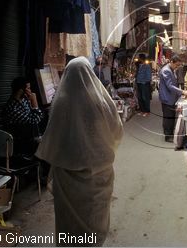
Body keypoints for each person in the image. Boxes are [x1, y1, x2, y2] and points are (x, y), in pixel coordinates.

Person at [35, 57, 123, 247]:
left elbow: (52, 137)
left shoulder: (61, 102)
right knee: (95, 220)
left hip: (67, 175)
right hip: (98, 173)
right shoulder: (100, 100)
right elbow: (116, 129)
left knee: (69, 224)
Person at [3, 77, 44, 157]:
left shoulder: (24, 100)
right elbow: (35, 120)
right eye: (28, 88)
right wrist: (34, 101)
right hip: (22, 143)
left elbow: (39, 115)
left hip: (30, 135)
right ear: (21, 90)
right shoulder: (13, 108)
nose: (30, 91)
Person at [158, 54, 187, 143]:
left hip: (171, 97)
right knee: (168, 117)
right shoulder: (166, 71)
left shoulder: (171, 70)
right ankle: (168, 136)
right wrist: (182, 92)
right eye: (176, 65)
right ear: (172, 62)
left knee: (171, 116)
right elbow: (170, 85)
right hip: (167, 97)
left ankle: (170, 134)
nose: (177, 67)